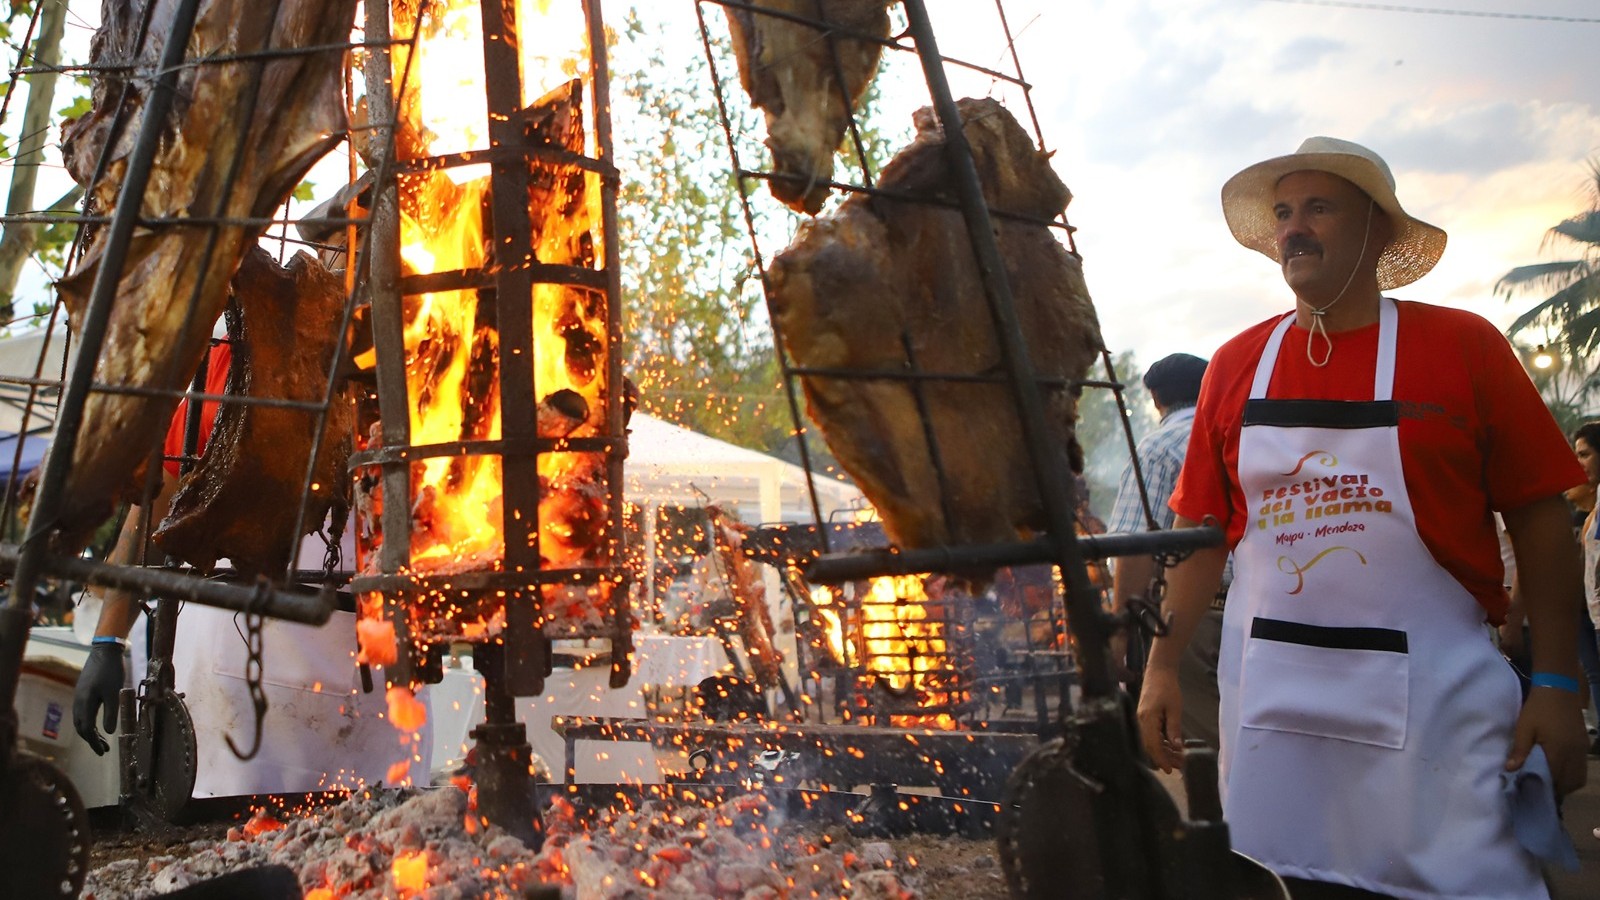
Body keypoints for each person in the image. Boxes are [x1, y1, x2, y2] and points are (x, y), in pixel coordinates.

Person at [1136, 136, 1589, 899]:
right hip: (1275, 713)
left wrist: (1556, 683)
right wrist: (1159, 667)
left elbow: (1542, 521)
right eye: (1283, 212)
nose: (1293, 228)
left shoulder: (1463, 347)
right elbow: (1204, 537)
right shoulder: (1237, 364)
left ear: (1379, 230)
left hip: (1437, 709)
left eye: (1318, 208)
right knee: (1283, 884)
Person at [1106, 352, 1227, 748]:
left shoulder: (1157, 449)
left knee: (1206, 749)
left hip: (1193, 620)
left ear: (1156, 399)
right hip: (1261, 610)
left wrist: (1119, 633)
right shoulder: (1240, 435)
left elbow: (1135, 547)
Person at [1565, 421, 1600, 757]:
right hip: (1587, 606)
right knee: (1592, 671)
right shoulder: (1589, 513)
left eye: (1585, 454)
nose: (1579, 464)